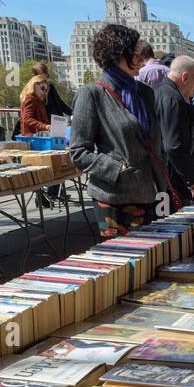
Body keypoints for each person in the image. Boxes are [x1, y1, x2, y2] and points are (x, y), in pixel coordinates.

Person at [68, 23, 172, 239]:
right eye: (134, 52)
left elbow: (152, 140)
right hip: (114, 198)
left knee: (155, 260)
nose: (141, 58)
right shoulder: (92, 94)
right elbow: (78, 151)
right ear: (117, 55)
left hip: (152, 193)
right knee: (126, 267)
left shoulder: (144, 92)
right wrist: (117, 169)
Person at [153, 55, 194, 204]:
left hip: (161, 175)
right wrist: (192, 179)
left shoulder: (156, 91)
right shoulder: (173, 98)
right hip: (172, 178)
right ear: (185, 77)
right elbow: (173, 146)